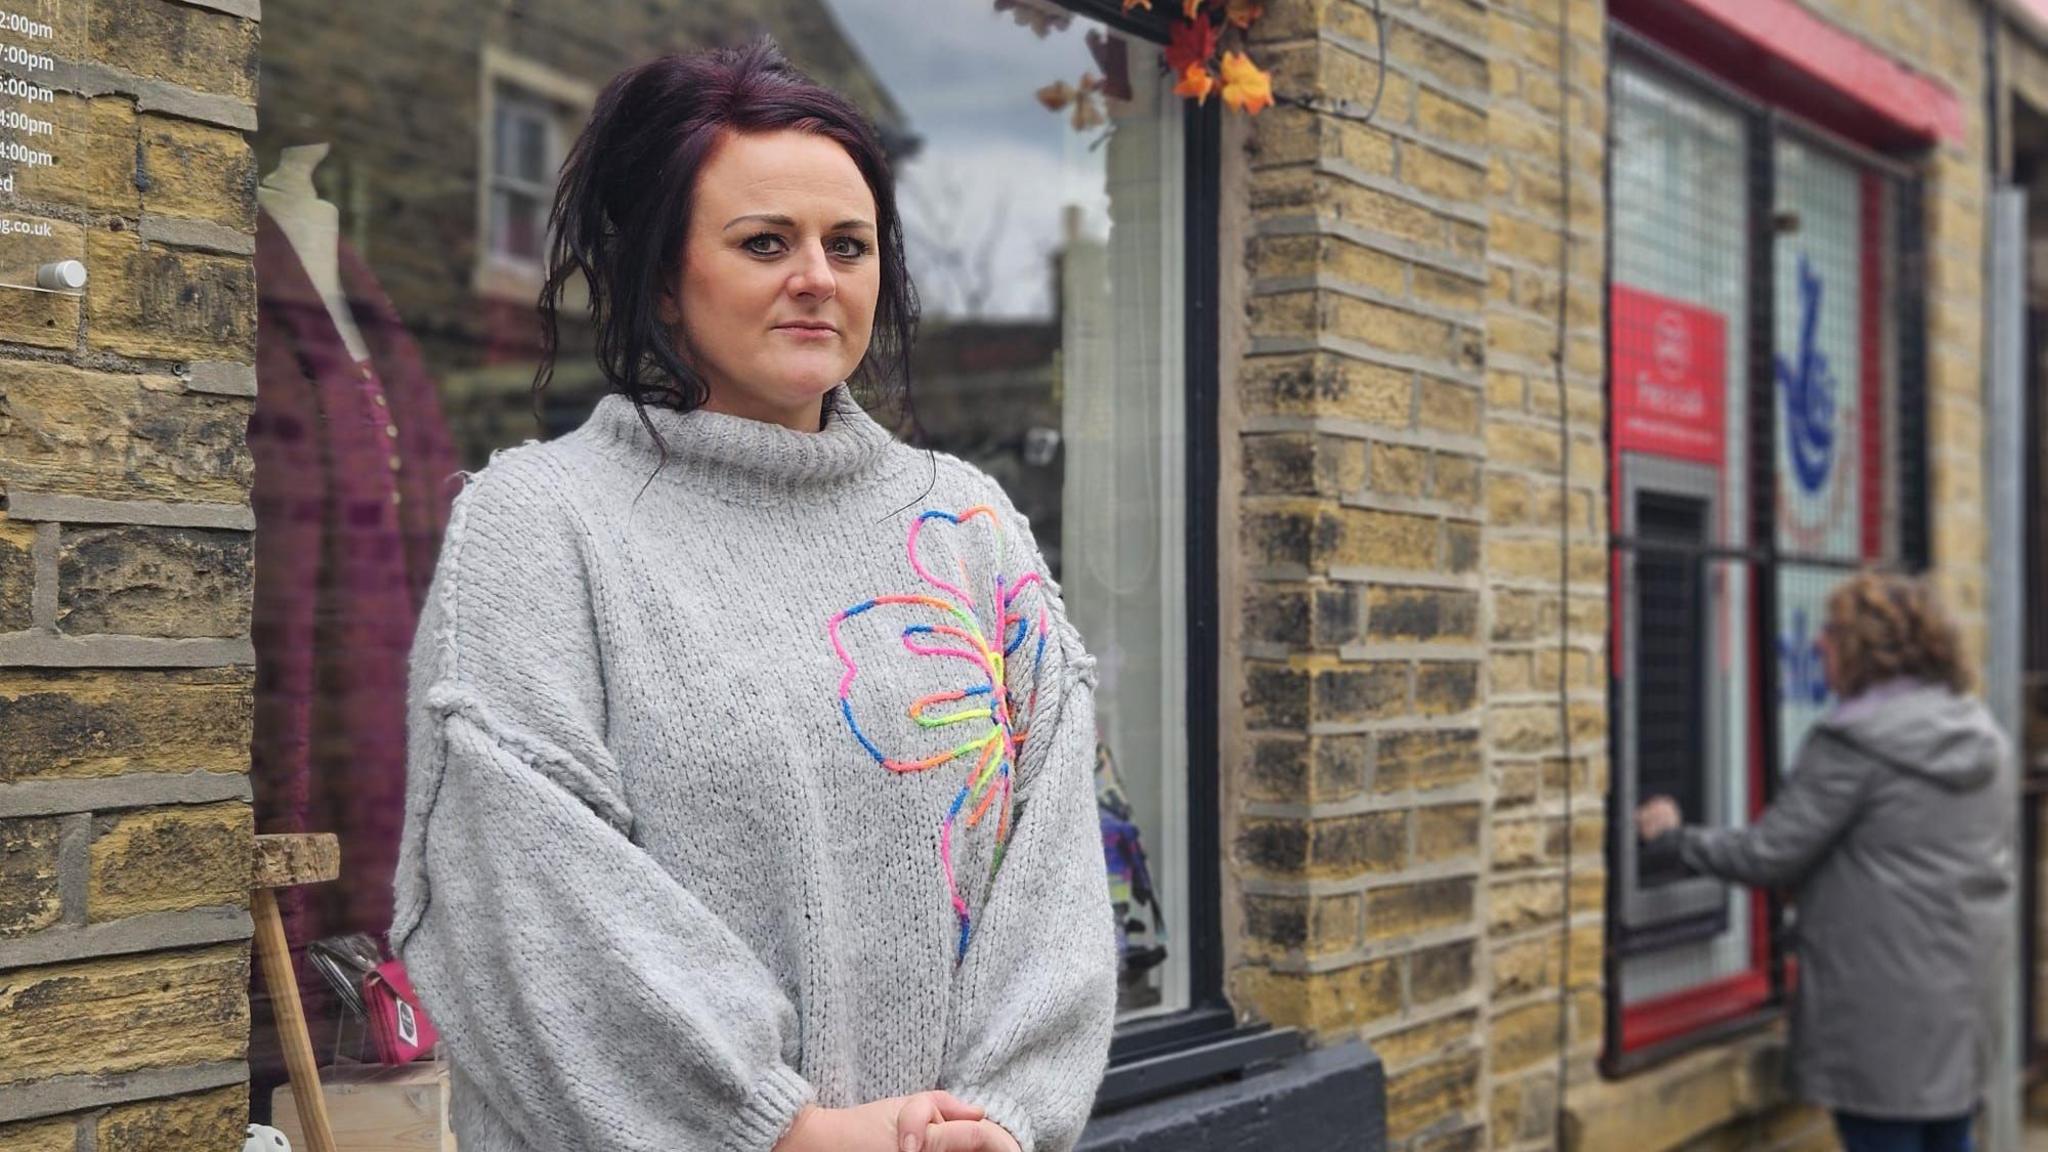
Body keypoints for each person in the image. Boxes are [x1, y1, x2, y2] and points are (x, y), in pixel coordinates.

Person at [393, 41, 1117, 1152]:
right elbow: (520, 890)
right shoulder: (542, 524)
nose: (816, 277)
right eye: (763, 242)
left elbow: (1056, 872)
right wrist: (786, 1133)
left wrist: (1002, 1121)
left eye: (848, 245)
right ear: (665, 283)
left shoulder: (968, 529)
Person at [1635, 572, 2013, 1152]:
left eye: (1831, 631)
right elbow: (1910, 851)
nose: (1817, 644)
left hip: (1880, 1016)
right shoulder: (1981, 736)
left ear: (1868, 646)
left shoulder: (1856, 744)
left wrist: (1674, 838)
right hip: (1963, 1009)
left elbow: (1769, 854)